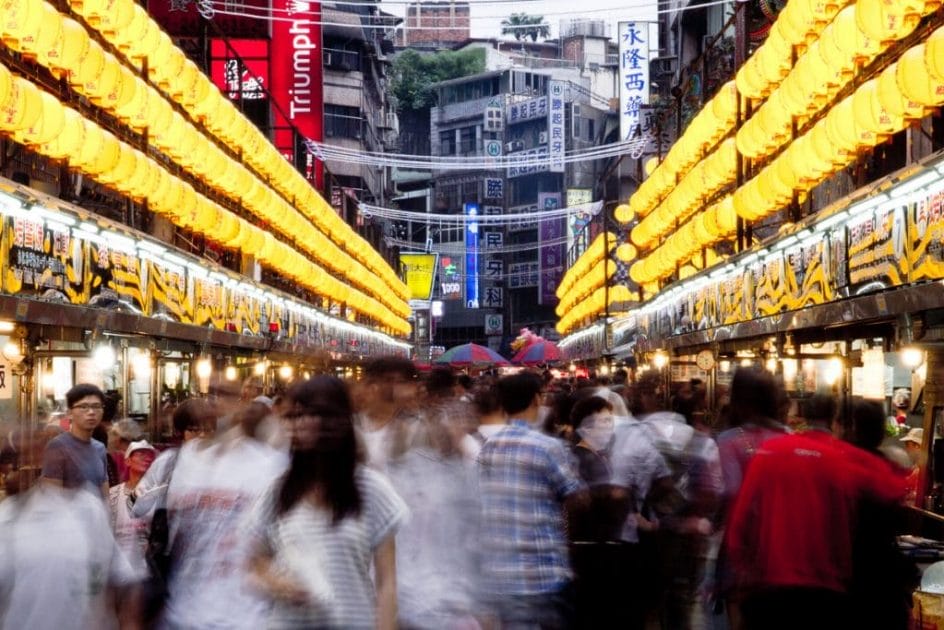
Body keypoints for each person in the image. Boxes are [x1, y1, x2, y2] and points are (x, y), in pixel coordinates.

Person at [724, 394, 906, 630]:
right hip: (834, 589)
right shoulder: (849, 462)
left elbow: (741, 517)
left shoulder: (774, 451)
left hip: (774, 584)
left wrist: (742, 567)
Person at [247, 376, 408, 629]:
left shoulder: (371, 489)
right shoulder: (279, 490)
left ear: (339, 421)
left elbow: (387, 583)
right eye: (295, 416)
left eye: (314, 414)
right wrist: (279, 584)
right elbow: (255, 563)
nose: (303, 424)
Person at [159, 399, 288, 629]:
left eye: (226, 397)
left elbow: (283, 540)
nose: (217, 408)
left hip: (245, 618)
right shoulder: (181, 461)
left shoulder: (270, 466)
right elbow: (146, 511)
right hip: (182, 614)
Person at [475, 372, 587, 628]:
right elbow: (577, 497)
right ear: (537, 399)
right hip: (542, 575)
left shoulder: (489, 447)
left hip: (499, 574)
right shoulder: (547, 447)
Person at [41, 383, 110, 499]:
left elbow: (104, 491)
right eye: (83, 407)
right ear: (69, 413)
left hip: (95, 516)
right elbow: (51, 497)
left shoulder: (100, 448)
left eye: (97, 406)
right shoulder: (58, 446)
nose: (91, 412)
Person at [355, 356, 420, 471]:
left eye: (400, 381)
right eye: (388, 380)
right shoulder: (353, 425)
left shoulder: (415, 426)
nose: (393, 386)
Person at [108, 440, 158, 579]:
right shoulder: (113, 494)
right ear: (128, 461)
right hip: (116, 568)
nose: (146, 458)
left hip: (145, 570)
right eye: (140, 454)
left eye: (150, 456)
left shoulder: (158, 496)